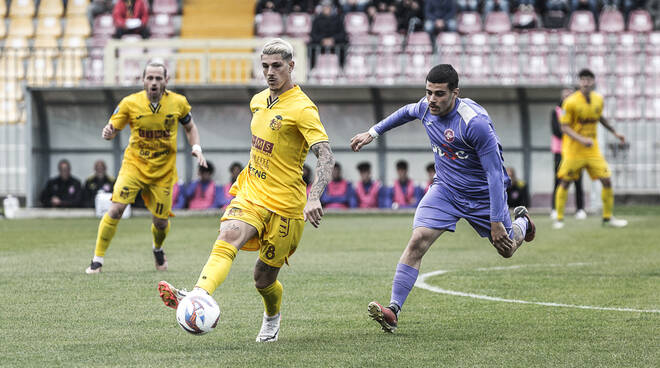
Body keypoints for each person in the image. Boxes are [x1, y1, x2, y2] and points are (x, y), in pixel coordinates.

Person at [157, 38, 335, 343]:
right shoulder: (257, 100)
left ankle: (272, 317)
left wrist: (314, 196)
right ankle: (199, 294)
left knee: (263, 279)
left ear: (291, 66)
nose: (269, 72)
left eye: (277, 66)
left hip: (286, 205)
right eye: (265, 66)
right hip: (252, 191)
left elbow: (326, 155)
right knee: (228, 235)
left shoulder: (303, 109)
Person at [350, 64, 536, 333]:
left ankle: (523, 224)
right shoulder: (425, 108)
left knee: (506, 249)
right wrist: (373, 132)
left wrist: (497, 221)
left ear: (455, 93)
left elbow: (496, 175)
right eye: (428, 92)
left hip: (483, 195)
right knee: (418, 240)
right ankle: (393, 310)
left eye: (439, 94)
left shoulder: (474, 123)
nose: (431, 100)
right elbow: (405, 112)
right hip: (446, 190)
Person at [84, 61, 207, 274]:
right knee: (116, 209)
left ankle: (158, 248)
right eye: (149, 78)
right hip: (134, 166)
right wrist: (108, 132)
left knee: (160, 223)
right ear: (143, 80)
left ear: (166, 81)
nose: (153, 82)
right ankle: (97, 260)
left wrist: (196, 147)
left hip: (163, 172)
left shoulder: (178, 103)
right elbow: (114, 127)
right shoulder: (130, 103)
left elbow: (190, 127)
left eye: (158, 78)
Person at [553, 69, 628, 229]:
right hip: (573, 150)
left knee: (606, 180)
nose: (586, 82)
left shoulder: (598, 99)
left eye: (588, 79)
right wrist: (581, 139)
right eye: (583, 80)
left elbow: (599, 117)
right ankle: (559, 219)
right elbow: (564, 127)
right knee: (565, 182)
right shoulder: (570, 102)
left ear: (593, 81)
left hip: (592, 150)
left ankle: (608, 218)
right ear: (579, 82)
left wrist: (615, 132)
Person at [551, 87, 586, 220]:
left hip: (575, 151)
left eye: (570, 96)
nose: (567, 98)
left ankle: (580, 209)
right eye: (565, 96)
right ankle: (555, 209)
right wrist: (571, 133)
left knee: (578, 180)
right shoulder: (556, 112)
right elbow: (556, 131)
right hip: (560, 151)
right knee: (558, 179)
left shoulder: (577, 113)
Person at [309, 0, 347, 69]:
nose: (326, 8)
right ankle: (312, 69)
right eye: (325, 7)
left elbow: (343, 34)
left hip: (335, 43)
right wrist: (322, 40)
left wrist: (333, 39)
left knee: (344, 45)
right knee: (311, 47)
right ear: (322, 8)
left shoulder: (338, 19)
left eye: (328, 7)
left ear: (331, 8)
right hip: (321, 44)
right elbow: (313, 35)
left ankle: (342, 69)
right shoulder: (317, 19)